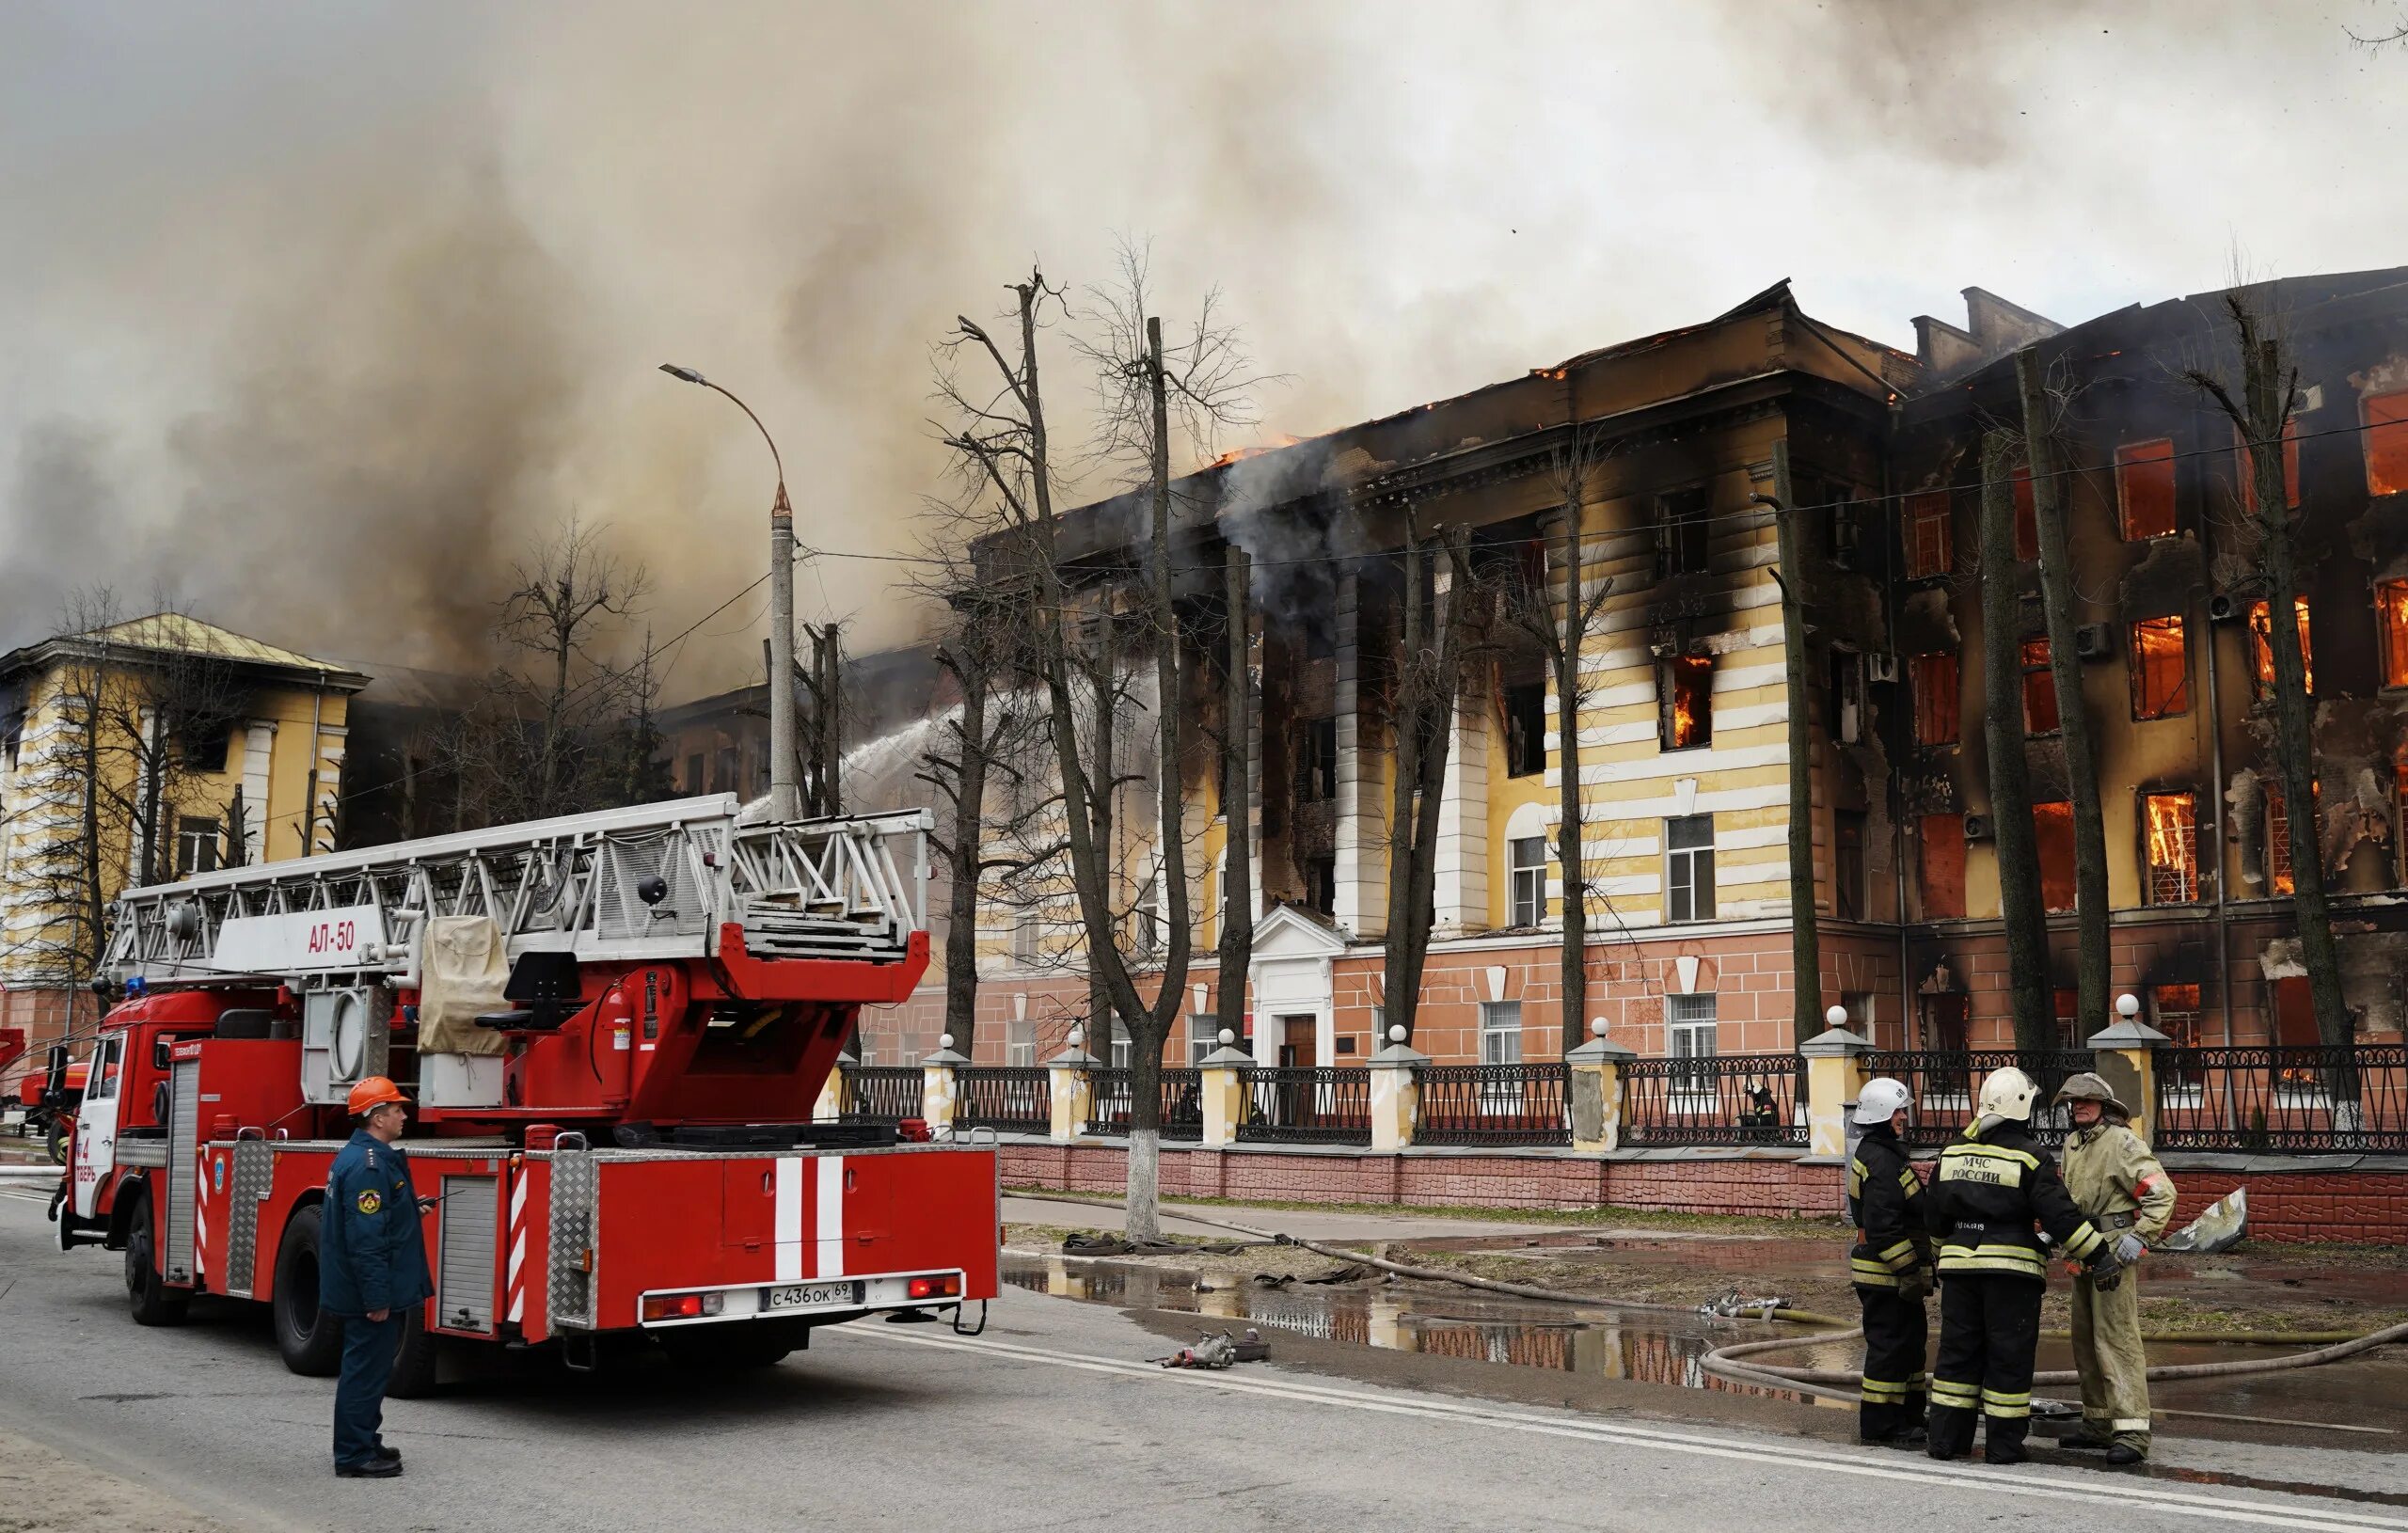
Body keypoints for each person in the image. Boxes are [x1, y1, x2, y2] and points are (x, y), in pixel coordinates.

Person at [1922, 1066, 2124, 1465]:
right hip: (2011, 1278)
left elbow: (1934, 1219)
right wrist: (2099, 1256)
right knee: (2007, 1359)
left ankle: (1946, 1441)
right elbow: (2060, 1217)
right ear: (2022, 1109)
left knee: (1956, 1356)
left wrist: (1948, 1254)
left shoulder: (1952, 1152)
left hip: (1959, 1273)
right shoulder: (2030, 1158)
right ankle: (2003, 1447)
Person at [2053, 1072, 2177, 1464]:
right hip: (2082, 1251)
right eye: (2074, 1102)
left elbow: (2162, 1193)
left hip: (2115, 1252)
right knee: (2085, 1341)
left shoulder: (2122, 1142)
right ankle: (2098, 1424)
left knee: (2116, 1339)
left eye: (2087, 1101)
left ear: (2104, 1106)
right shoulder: (2072, 1144)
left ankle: (2133, 1433)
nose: (2080, 1107)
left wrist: (2141, 1236)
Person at [321, 1076, 436, 1479]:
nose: (404, 1115)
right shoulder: (369, 1167)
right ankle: (353, 1455)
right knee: (365, 1372)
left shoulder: (363, 1157)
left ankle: (365, 1440)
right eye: (397, 1109)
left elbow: (376, 1221)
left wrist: (407, 1210)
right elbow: (366, 1241)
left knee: (370, 1369)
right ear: (377, 1117)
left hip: (362, 1288)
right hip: (366, 1293)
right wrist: (376, 1299)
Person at [1846, 1076, 1931, 1448]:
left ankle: (1909, 1415)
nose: (1903, 1117)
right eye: (1898, 1110)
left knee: (1909, 1344)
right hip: (1885, 1274)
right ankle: (1881, 1426)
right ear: (1882, 1114)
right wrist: (1908, 1270)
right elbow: (1883, 1227)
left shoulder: (1885, 1152)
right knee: (1890, 1348)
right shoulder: (1881, 1159)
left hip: (1891, 1274)